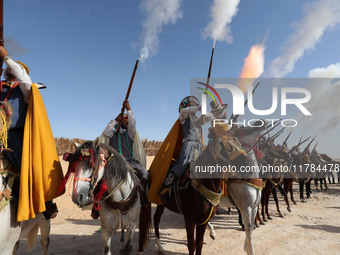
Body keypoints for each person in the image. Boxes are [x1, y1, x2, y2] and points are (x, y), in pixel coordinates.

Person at [0, 46, 63, 221]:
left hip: (15, 136)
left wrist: (7, 58)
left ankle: (44, 201)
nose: (10, 70)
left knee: (28, 168)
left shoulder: (26, 89)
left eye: (13, 68)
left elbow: (25, 80)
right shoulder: (0, 88)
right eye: (8, 68)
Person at [91, 99, 148, 219]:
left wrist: (129, 108)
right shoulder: (113, 134)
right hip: (112, 163)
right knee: (98, 179)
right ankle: (95, 206)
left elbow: (133, 124)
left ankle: (142, 198)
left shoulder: (130, 134)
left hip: (129, 161)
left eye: (128, 122)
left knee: (143, 173)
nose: (127, 123)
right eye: (124, 121)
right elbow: (106, 131)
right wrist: (115, 119)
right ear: (120, 123)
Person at [161, 96, 214, 193]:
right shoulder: (184, 117)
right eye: (192, 106)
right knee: (183, 163)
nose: (194, 107)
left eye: (196, 105)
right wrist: (198, 108)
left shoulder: (200, 119)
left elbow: (210, 117)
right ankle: (166, 186)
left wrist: (203, 110)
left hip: (198, 145)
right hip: (188, 143)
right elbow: (184, 111)